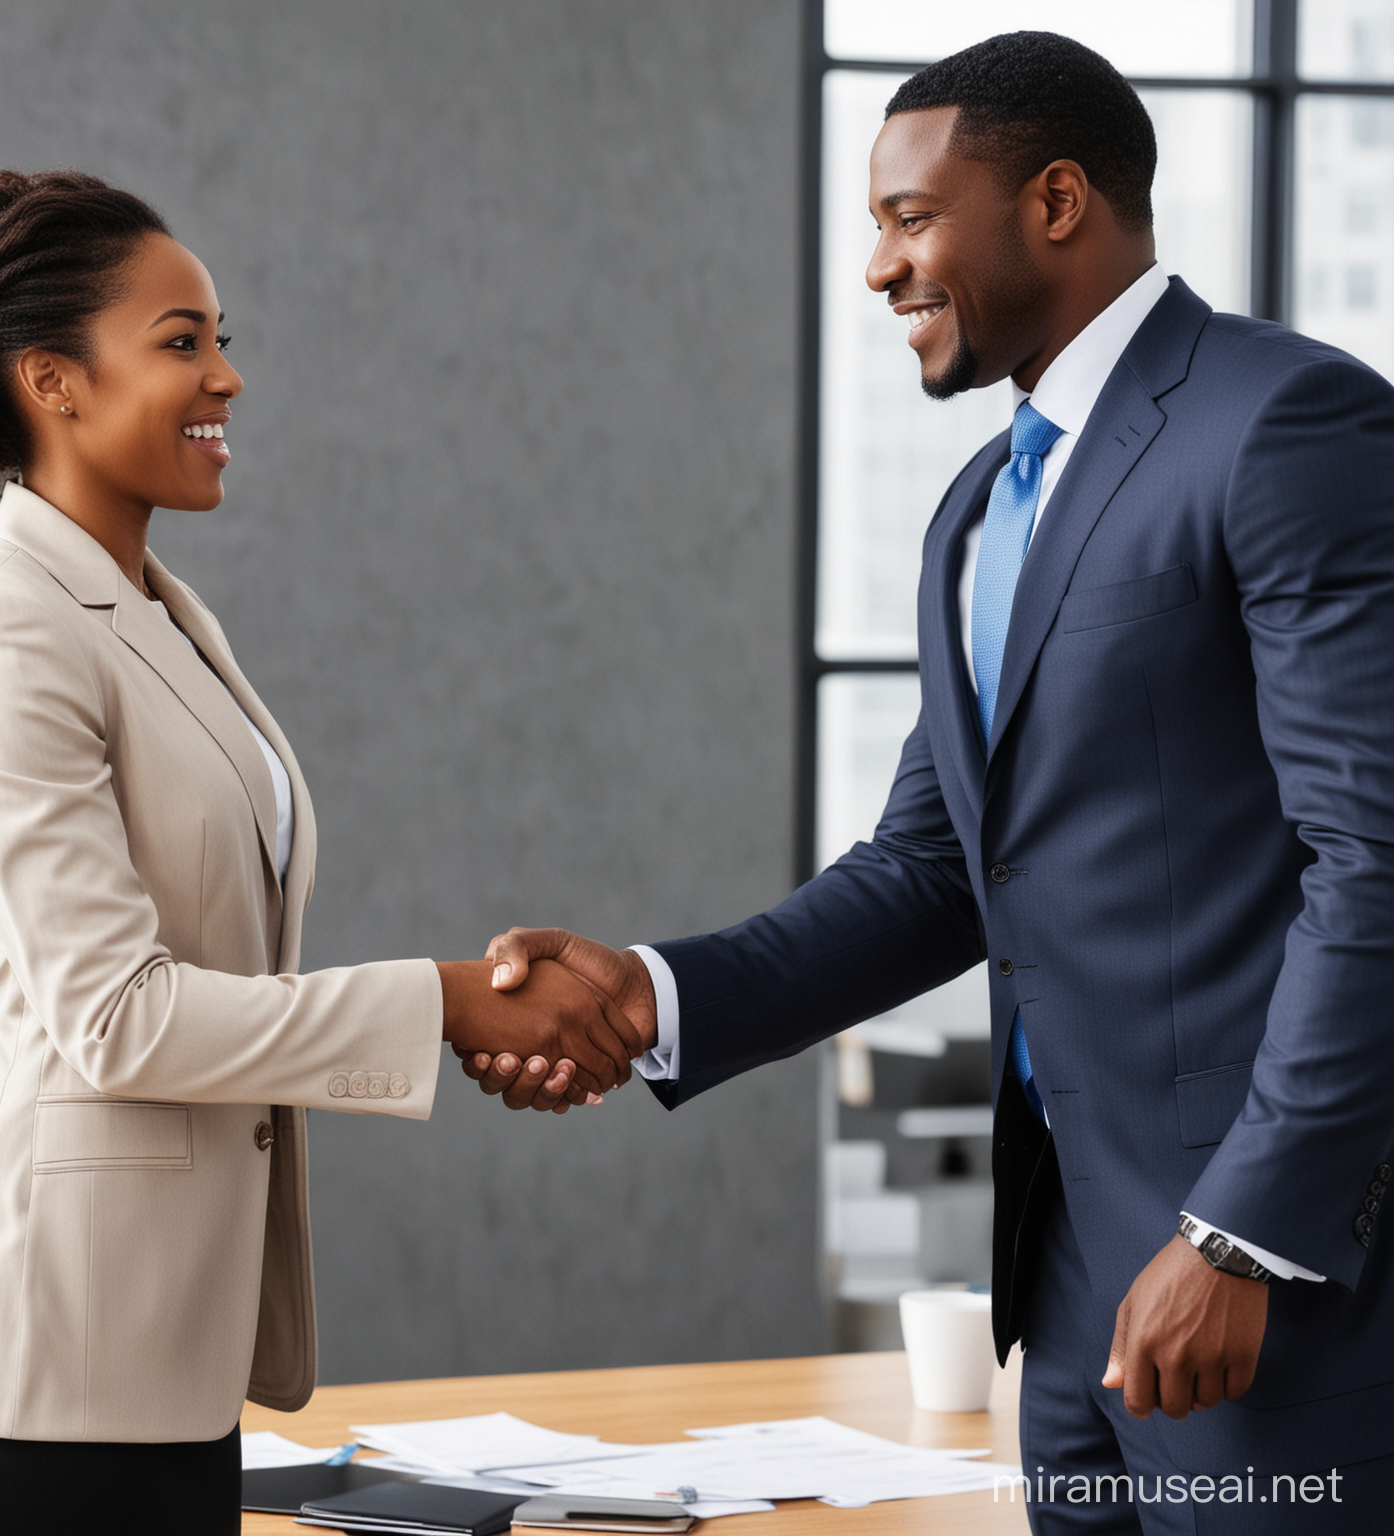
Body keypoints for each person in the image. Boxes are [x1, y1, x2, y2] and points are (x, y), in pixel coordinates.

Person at [464, 31, 1394, 1534]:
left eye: (909, 217)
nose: (881, 269)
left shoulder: (1286, 425)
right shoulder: (976, 509)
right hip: (1074, 1283)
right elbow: (938, 868)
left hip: (1270, 1290)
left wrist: (1244, 1235)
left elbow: (1380, 860)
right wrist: (646, 996)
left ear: (1058, 200)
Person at [0, 169, 638, 1536]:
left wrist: (457, 1012)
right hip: (27, 1363)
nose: (226, 377)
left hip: (158, 1357)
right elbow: (117, 1017)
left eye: (224, 338)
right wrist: (446, 1000)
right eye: (181, 342)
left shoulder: (153, 611)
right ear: (54, 383)